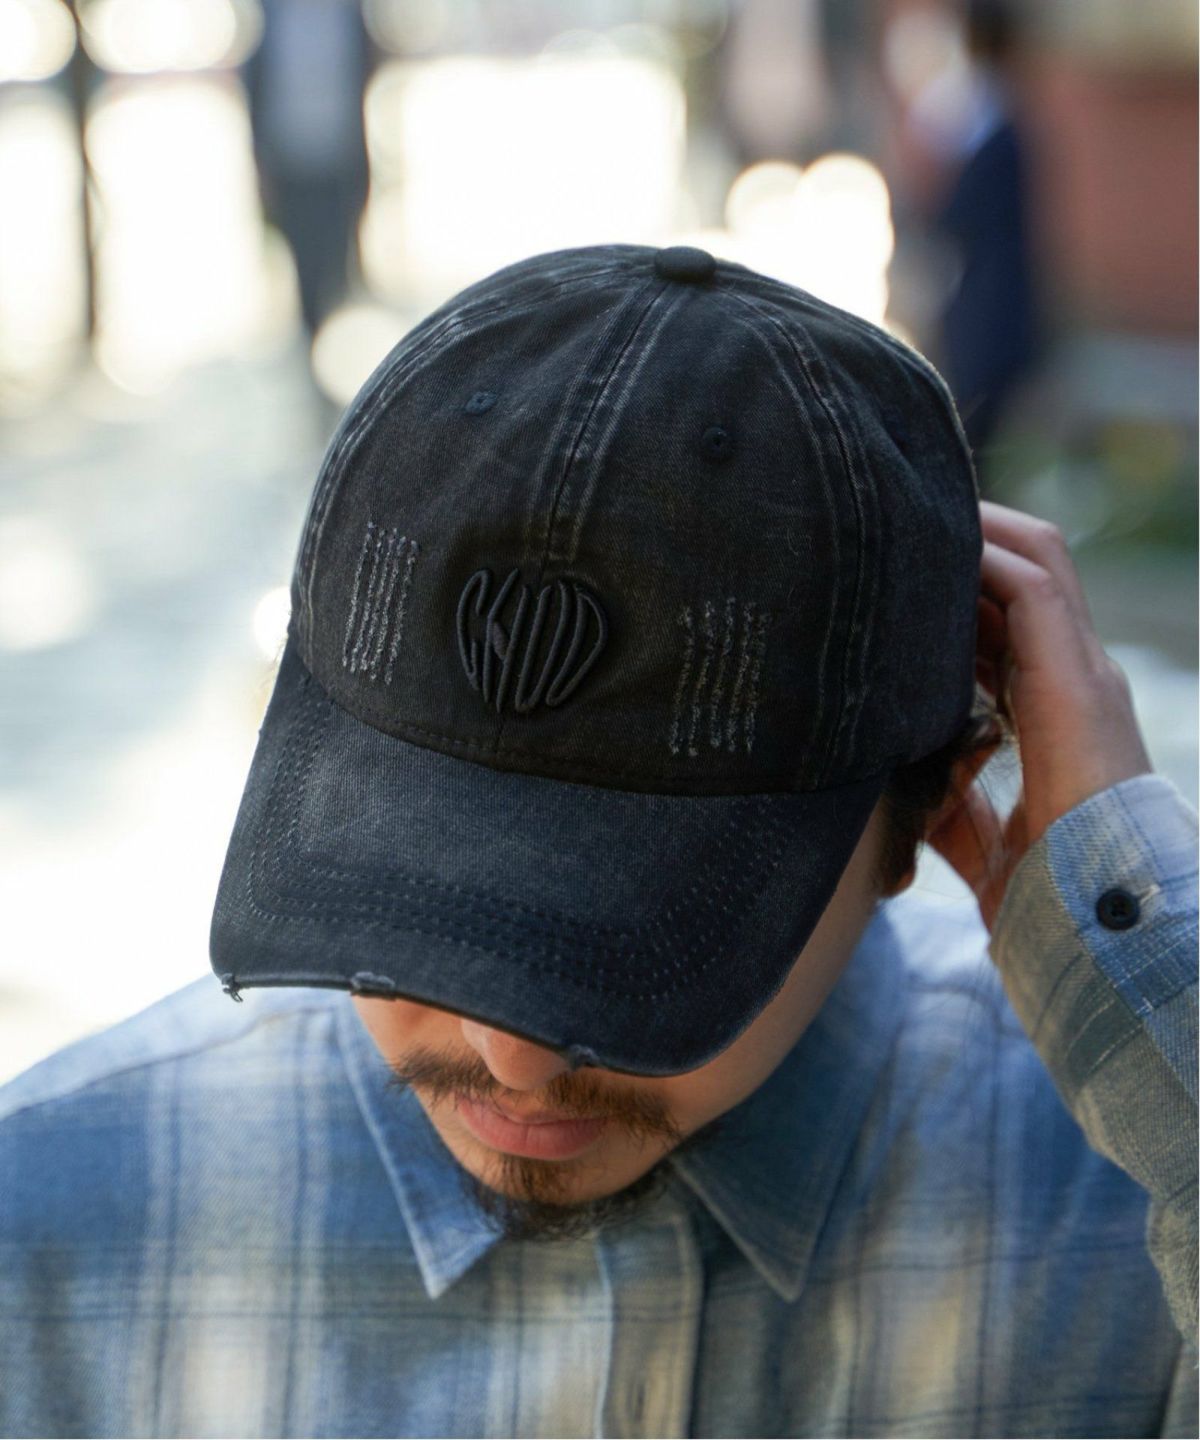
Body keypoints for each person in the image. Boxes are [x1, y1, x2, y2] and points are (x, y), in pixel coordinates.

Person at [0, 244, 1194, 1439]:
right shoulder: (51, 1229)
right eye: (416, 893)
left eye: (640, 936)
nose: (512, 1056)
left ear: (930, 810)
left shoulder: (1134, 1195)